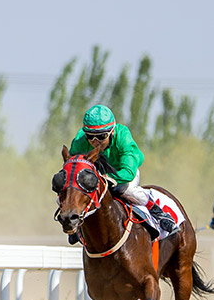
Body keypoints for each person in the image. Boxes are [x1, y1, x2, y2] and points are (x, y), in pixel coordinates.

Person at [67, 104, 178, 243]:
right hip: (97, 174)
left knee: (126, 190)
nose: (95, 142)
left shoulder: (123, 137)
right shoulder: (79, 142)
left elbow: (129, 173)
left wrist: (109, 178)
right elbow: (71, 168)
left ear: (112, 131)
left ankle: (158, 213)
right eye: (90, 136)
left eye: (101, 136)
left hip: (122, 173)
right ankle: (77, 225)